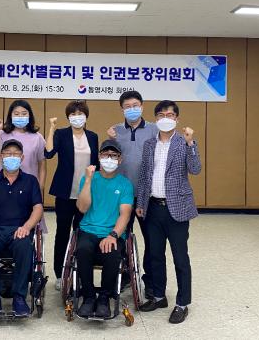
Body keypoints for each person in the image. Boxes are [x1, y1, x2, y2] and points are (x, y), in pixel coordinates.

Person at [136, 100, 201, 324]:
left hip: (177, 208)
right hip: (153, 207)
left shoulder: (184, 142)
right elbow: (144, 175)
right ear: (156, 119)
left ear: (177, 119)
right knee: (155, 254)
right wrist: (141, 202)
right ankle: (158, 296)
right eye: (161, 115)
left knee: (180, 257)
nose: (165, 118)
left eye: (170, 115)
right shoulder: (149, 144)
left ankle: (182, 303)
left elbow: (195, 169)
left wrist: (191, 143)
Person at [0, 139, 44, 317]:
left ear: (22, 158)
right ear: (1, 157)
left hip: (20, 228)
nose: (11, 157)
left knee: (24, 243)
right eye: (7, 153)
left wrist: (27, 227)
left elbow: (38, 208)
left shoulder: (30, 181)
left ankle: (19, 297)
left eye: (16, 154)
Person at [107, 90, 158, 297]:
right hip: (122, 195)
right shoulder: (115, 131)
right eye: (127, 107)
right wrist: (110, 139)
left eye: (135, 105)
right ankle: (124, 275)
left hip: (147, 195)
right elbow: (109, 159)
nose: (132, 109)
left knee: (152, 239)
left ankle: (151, 281)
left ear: (142, 106)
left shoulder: (155, 129)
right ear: (122, 109)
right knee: (120, 236)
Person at [75, 139, 133, 319]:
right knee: (83, 250)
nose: (109, 159)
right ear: (99, 157)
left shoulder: (125, 184)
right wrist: (88, 181)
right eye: (105, 155)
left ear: (120, 160)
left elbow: (125, 214)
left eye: (113, 156)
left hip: (112, 232)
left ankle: (104, 298)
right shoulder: (88, 179)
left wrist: (113, 235)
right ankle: (88, 297)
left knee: (112, 254)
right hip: (88, 230)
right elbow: (82, 208)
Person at [45, 100, 99, 291]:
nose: (77, 117)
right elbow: (49, 153)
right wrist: (51, 128)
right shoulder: (61, 134)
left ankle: (80, 273)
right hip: (65, 193)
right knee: (62, 233)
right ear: (68, 117)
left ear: (86, 116)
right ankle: (60, 274)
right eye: (73, 114)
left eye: (80, 113)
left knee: (83, 233)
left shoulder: (92, 136)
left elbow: (96, 163)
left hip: (86, 193)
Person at [0, 99, 46, 192]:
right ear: (10, 116)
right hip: (5, 185)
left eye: (24, 114)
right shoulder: (2, 134)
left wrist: (40, 186)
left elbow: (42, 164)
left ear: (29, 116)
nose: (20, 116)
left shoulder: (37, 137)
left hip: (29, 186)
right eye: (16, 114)